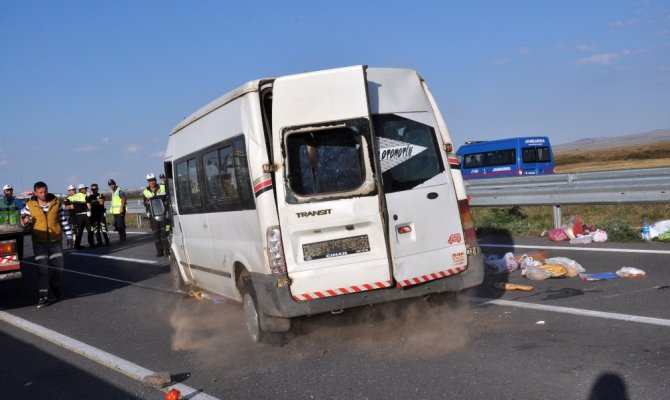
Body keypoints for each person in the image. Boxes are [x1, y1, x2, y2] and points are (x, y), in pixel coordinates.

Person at [21, 181, 73, 308]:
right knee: (42, 270)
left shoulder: (56, 203)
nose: (43, 194)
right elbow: (23, 220)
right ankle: (43, 296)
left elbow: (63, 220)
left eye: (45, 191)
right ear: (35, 193)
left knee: (59, 268)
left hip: (55, 242)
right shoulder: (29, 205)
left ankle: (54, 285)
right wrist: (25, 221)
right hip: (39, 243)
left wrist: (69, 236)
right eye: (40, 192)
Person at [143, 173, 168, 256]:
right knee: (156, 234)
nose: (152, 182)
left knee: (165, 233)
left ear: (155, 180)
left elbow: (168, 197)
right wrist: (146, 203)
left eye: (153, 180)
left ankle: (167, 250)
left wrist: (166, 202)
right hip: (153, 215)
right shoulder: (145, 192)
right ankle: (159, 251)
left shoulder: (162, 187)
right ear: (147, 182)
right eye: (150, 181)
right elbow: (144, 203)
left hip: (163, 214)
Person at [0, 184, 26, 260]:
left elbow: (23, 210)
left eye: (10, 190)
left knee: (19, 250)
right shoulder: (0, 202)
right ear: (4, 192)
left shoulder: (17, 201)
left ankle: (20, 262)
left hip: (17, 230)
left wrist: (14, 200)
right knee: (4, 252)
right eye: (7, 190)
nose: (9, 192)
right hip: (2, 231)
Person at [69, 183, 93, 249]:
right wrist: (89, 197)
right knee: (90, 229)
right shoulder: (85, 196)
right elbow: (89, 206)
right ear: (81, 189)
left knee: (79, 231)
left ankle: (77, 245)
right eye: (85, 189)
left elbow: (72, 207)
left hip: (77, 216)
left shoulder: (74, 196)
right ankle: (91, 243)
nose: (86, 190)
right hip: (85, 215)